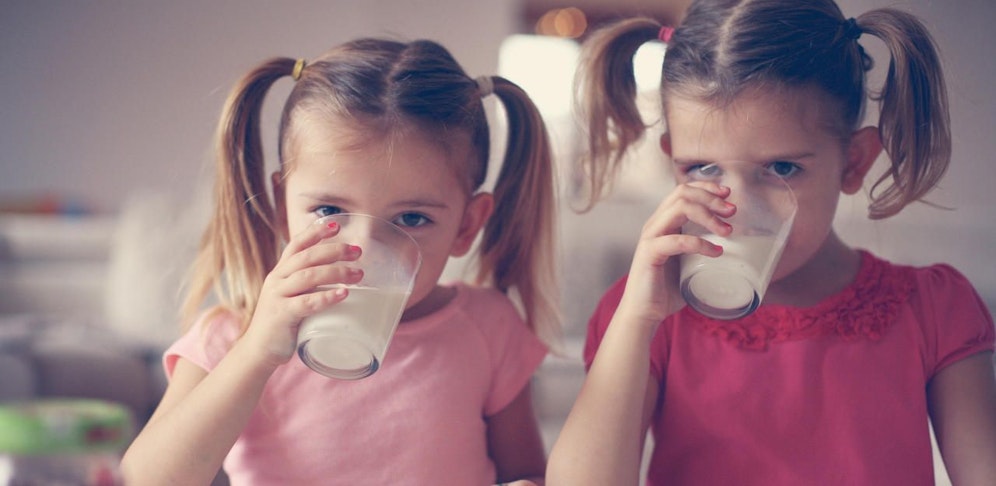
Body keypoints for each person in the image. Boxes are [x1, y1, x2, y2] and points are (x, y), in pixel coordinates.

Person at [547, 1, 996, 485]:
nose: (737, 207)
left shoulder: (933, 312)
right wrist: (637, 320)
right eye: (702, 168)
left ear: (853, 163)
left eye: (782, 168)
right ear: (672, 161)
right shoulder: (645, 317)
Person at [120, 37, 560, 485]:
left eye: (411, 218)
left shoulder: (488, 328)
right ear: (282, 206)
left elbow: (527, 473)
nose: (365, 248)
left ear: (466, 225)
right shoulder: (235, 336)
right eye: (330, 211)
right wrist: (255, 354)